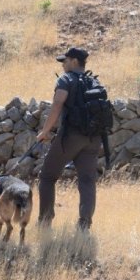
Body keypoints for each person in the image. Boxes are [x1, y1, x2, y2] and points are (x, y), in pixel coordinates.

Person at [36, 47, 103, 231]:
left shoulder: (66, 79)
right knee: (87, 180)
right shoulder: (94, 81)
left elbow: (58, 103)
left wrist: (45, 131)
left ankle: (44, 223)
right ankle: (84, 226)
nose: (63, 65)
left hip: (71, 136)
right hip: (93, 138)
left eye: (64, 61)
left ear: (74, 61)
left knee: (47, 177)